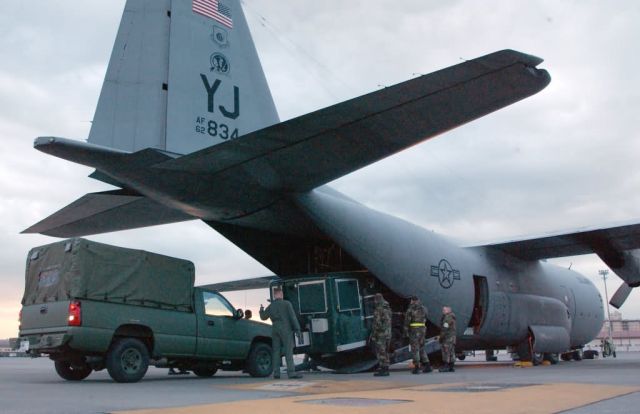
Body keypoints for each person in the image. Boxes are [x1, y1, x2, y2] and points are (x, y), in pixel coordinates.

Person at [259, 287, 302, 379]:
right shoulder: (287, 304)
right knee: (288, 350)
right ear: (281, 294)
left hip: (274, 328)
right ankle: (291, 373)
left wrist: (261, 310)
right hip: (286, 329)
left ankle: (276, 373)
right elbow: (293, 317)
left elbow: (263, 317)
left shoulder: (271, 306)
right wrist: (297, 329)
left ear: (274, 296)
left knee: (276, 351)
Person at [404, 295, 432, 374]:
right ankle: (427, 365)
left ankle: (417, 367)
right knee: (422, 347)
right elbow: (426, 317)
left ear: (412, 301)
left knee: (415, 348)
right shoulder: (424, 308)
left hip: (414, 330)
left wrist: (405, 331)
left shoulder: (410, 309)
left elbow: (407, 321)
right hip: (422, 329)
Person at [371, 293, 392, 376]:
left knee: (381, 351)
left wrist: (374, 333)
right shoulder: (387, 308)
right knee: (385, 351)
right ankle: (385, 367)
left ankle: (384, 369)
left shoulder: (379, 309)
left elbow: (378, 323)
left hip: (381, 334)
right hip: (387, 333)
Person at [439, 306, 457, 372]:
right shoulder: (452, 317)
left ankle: (446, 366)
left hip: (447, 338)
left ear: (448, 310)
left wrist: (441, 337)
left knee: (446, 352)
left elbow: (445, 328)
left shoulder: (447, 318)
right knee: (451, 352)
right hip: (452, 338)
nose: (443, 311)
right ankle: (451, 367)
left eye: (444, 310)